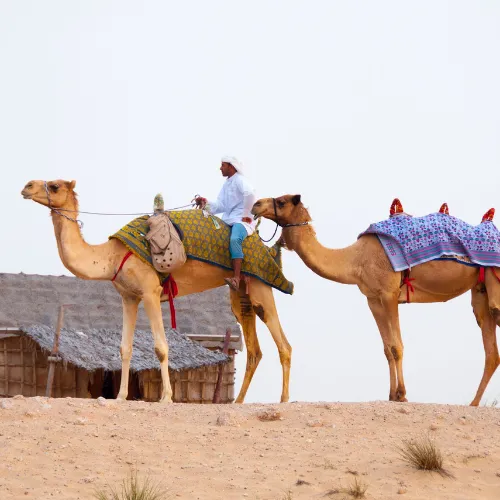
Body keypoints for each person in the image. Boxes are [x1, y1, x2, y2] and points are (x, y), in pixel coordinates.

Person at [195, 156, 256, 291]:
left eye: (223, 165)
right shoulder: (226, 184)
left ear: (231, 166)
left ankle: (236, 278)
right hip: (228, 219)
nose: (220, 168)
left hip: (241, 221)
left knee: (235, 239)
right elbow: (220, 206)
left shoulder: (240, 180)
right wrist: (205, 203)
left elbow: (250, 194)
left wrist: (246, 214)